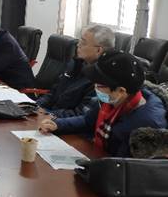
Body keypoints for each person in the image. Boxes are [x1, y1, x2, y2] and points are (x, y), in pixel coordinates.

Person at [39, 49, 168, 157]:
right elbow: (88, 121)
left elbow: (126, 167)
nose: (95, 87)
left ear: (121, 91)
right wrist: (58, 125)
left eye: (100, 85)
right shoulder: (114, 100)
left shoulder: (147, 125)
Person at [36, 24, 114, 118]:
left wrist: (47, 115)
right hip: (49, 116)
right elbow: (53, 92)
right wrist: (35, 107)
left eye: (83, 42)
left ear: (98, 50)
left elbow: (81, 115)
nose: (78, 45)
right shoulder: (75, 63)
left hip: (61, 122)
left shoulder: (101, 80)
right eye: (79, 40)